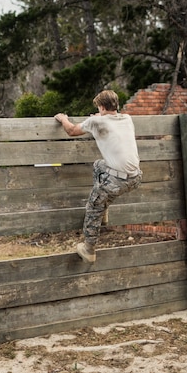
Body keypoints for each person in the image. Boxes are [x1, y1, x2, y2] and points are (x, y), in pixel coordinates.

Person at [54, 90, 142, 263]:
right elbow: (107, 123)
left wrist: (62, 118)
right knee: (98, 165)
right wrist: (99, 118)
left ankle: (89, 248)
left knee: (93, 206)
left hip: (118, 181)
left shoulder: (96, 121)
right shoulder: (127, 119)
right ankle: (104, 210)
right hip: (135, 177)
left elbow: (71, 130)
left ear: (101, 107)